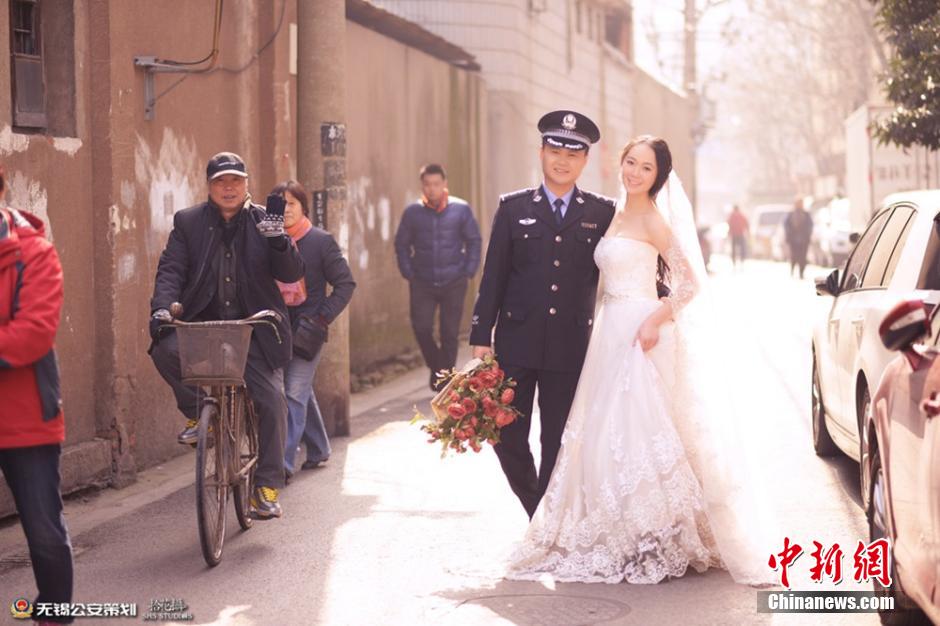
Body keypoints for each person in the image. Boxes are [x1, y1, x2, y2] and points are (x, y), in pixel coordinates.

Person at [506, 135, 771, 585]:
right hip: (608, 329)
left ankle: (655, 532)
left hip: (641, 331)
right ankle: (616, 529)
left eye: (646, 168)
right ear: (620, 162)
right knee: (601, 432)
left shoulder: (652, 219)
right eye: (631, 162)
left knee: (636, 429)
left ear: (658, 176)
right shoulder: (610, 213)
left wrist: (654, 320)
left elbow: (689, 284)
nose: (635, 172)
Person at [470, 110, 616, 519]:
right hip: (516, 342)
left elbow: (627, 258)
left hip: (570, 346)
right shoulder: (513, 208)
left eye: (572, 154)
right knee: (505, 433)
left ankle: (548, 522)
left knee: (559, 440)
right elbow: (494, 276)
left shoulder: (602, 213)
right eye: (555, 151)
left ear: (584, 160)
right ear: (541, 152)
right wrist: (481, 335)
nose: (562, 161)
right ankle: (537, 508)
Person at [149, 152, 304, 519]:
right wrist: (162, 307)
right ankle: (198, 413)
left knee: (272, 400)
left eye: (236, 180)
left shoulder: (265, 219)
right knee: (164, 349)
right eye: (221, 181)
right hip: (205, 327)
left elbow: (291, 273)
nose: (229, 188)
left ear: (247, 184)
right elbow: (171, 270)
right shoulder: (188, 222)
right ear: (210, 186)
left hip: (255, 330)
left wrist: (278, 241)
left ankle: (266, 487)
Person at [0, 166, 74, 624]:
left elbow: (33, 333)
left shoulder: (35, 253)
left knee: (44, 531)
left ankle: (55, 614)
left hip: (26, 418)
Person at [271, 180, 355, 479]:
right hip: (275, 329)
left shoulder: (320, 241)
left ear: (303, 207)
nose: (286, 210)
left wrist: (322, 317)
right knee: (300, 392)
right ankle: (319, 447)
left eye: (291, 203)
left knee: (293, 392)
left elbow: (345, 283)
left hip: (308, 331)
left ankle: (282, 464)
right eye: (280, 204)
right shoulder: (268, 240)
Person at [395, 164, 482, 391]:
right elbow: (401, 244)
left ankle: (445, 381)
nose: (432, 189)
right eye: (427, 184)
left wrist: (469, 270)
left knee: (449, 333)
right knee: (422, 327)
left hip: (454, 280)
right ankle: (438, 369)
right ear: (422, 186)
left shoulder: (460, 209)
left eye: (436, 184)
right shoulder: (412, 213)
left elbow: (474, 240)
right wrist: (408, 272)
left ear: (444, 184)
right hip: (422, 281)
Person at [784, 197, 814, 279]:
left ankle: (801, 272)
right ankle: (792, 269)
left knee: (803, 257)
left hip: (804, 240)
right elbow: (786, 225)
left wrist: (808, 234)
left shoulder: (806, 214)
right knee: (793, 256)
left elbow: (810, 225)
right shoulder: (791, 214)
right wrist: (789, 234)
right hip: (793, 239)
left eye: (801, 203)